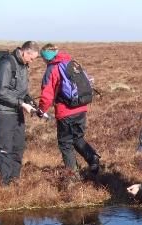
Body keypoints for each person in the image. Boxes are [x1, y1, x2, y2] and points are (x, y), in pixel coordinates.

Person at [37, 43, 101, 177]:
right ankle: (92, 157)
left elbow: (47, 95)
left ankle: (73, 177)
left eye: (42, 58)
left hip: (65, 111)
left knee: (65, 144)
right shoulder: (73, 63)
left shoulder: (52, 68)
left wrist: (41, 110)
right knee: (78, 138)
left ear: (46, 57)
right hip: (81, 108)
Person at [0, 41, 40, 186]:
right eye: (32, 58)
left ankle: (14, 180)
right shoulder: (7, 64)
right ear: (25, 52)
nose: (32, 61)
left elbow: (21, 91)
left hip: (17, 112)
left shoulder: (24, 65)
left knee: (18, 147)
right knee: (5, 148)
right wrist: (22, 104)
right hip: (3, 112)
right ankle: (4, 184)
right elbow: (1, 91)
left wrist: (29, 102)